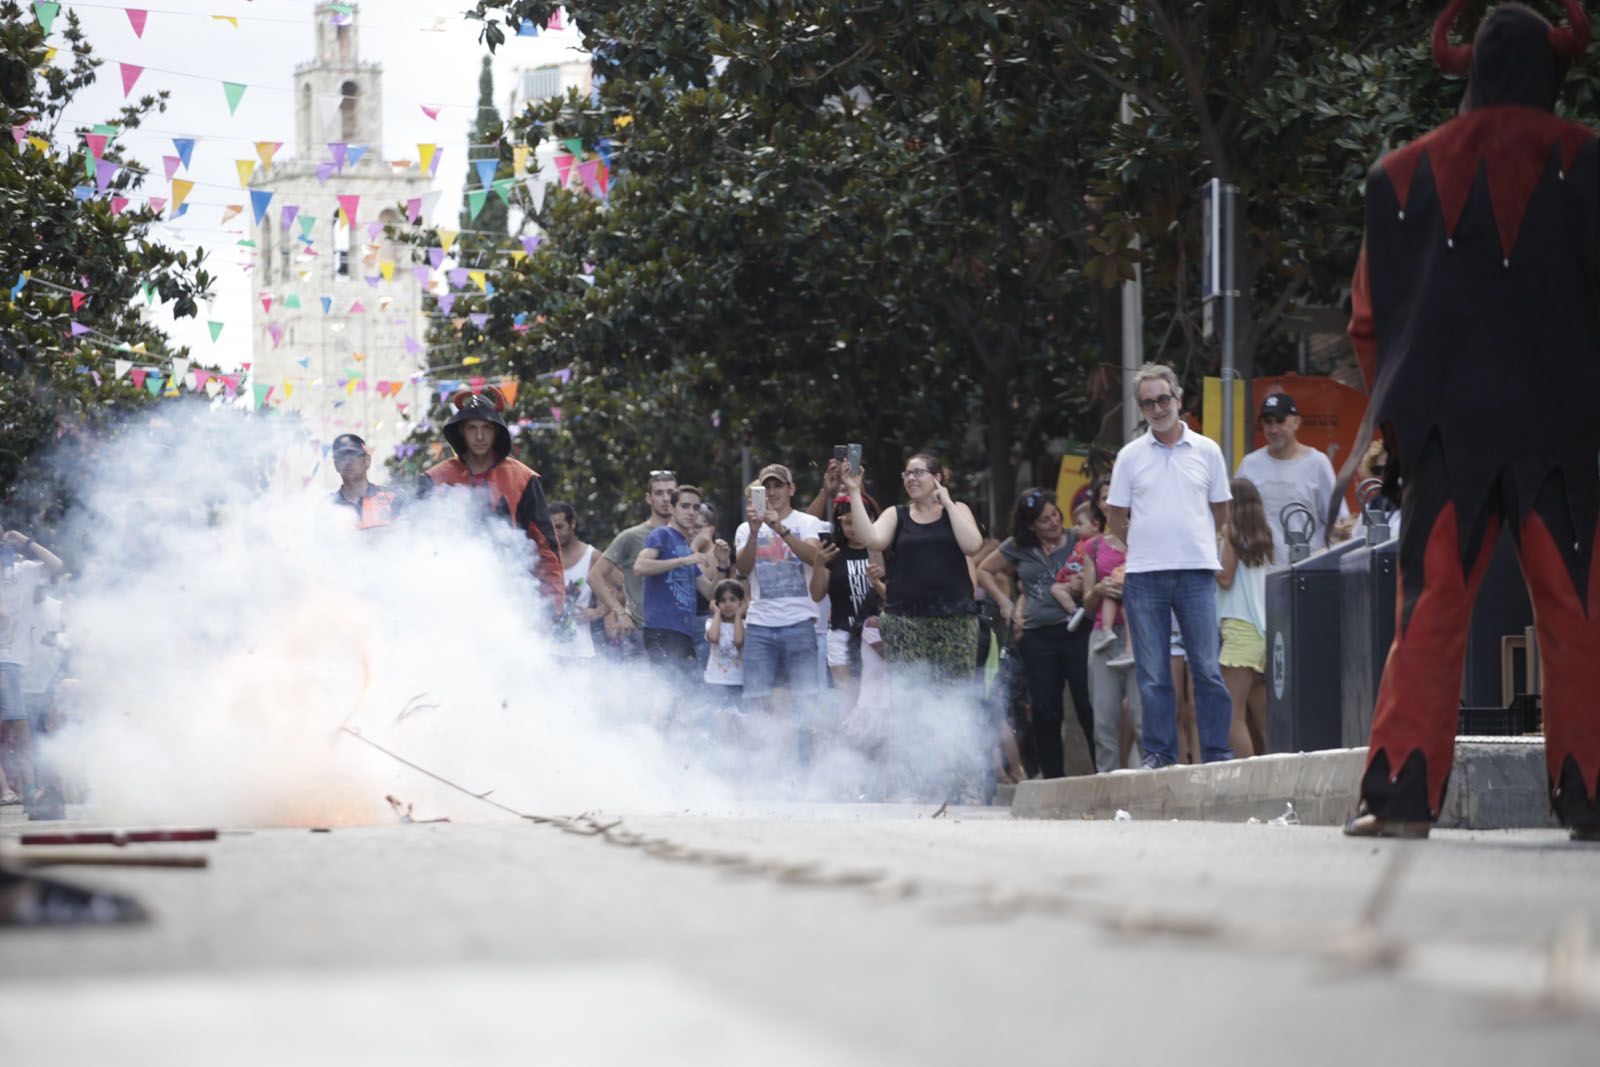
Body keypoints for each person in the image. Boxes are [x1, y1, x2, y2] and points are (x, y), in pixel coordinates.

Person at [1344, 0, 1600, 839]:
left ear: (1472, 70)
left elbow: (1368, 319)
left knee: (1431, 608)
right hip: (1568, 430)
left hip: (1447, 433)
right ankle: (1592, 795)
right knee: (1578, 613)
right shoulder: (1590, 162)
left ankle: (1401, 795)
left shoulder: (1399, 175)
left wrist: (1400, 426)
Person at [1104, 363, 1234, 768]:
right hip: (1144, 575)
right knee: (1154, 673)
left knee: (1208, 669)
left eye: (1163, 399)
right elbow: (1115, 515)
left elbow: (1222, 509)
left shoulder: (1208, 451)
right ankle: (1160, 754)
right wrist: (1143, 544)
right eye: (1148, 402)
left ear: (1178, 399)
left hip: (1195, 572)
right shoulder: (1129, 456)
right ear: (1141, 408)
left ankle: (1216, 753)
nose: (1158, 408)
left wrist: (1193, 542)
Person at [977, 489, 1091, 780]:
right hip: (1037, 636)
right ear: (1030, 525)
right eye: (1044, 519)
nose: (1053, 522)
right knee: (1044, 707)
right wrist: (1005, 602)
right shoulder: (1018, 546)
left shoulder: (1079, 539)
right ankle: (1053, 778)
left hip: (1077, 630)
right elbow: (984, 571)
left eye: (1055, 514)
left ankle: (1100, 772)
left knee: (1086, 701)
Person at [845, 453, 983, 681]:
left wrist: (947, 503)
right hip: (904, 622)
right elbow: (872, 539)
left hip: (955, 620)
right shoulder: (896, 514)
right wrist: (853, 491)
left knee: (955, 694)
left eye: (918, 472)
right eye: (907, 474)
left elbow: (973, 545)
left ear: (937, 477)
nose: (911, 478)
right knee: (909, 696)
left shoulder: (957, 509)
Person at [424, 389, 563, 611]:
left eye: (486, 428)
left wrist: (554, 601)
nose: (479, 436)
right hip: (452, 594)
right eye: (472, 428)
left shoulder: (523, 478)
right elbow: (419, 541)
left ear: (497, 432)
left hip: (513, 594)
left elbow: (544, 545)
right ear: (461, 431)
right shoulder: (434, 479)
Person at [733, 464, 829, 718]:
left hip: (799, 623)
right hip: (759, 625)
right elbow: (742, 568)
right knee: (758, 704)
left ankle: (807, 757)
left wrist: (780, 529)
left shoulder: (808, 522)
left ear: (791, 489)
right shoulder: (745, 528)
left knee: (806, 703)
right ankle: (767, 755)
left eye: (779, 485)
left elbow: (814, 557)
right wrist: (754, 533)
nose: (773, 492)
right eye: (767, 487)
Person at [1069, 503, 1144, 773]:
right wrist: (1100, 589)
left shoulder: (1148, 540)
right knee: (1103, 718)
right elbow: (1088, 604)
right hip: (1104, 635)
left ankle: (1151, 781)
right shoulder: (1094, 546)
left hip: (1141, 636)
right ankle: (1107, 781)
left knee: (1142, 716)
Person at [1235, 392, 1343, 565]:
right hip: (1261, 574)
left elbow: (1338, 523)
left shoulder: (1317, 463)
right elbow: (1234, 520)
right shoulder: (1249, 465)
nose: (1273, 429)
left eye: (1280, 421)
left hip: (1308, 571)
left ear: (1296, 422)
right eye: (1267, 422)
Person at [0, 528, 64, 815]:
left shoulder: (24, 570)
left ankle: (27, 792)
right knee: (19, 731)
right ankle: (25, 792)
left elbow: (57, 565)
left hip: (14, 662)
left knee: (18, 731)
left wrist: (25, 541)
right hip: (8, 661)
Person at [809, 494, 886, 714]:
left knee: (877, 700)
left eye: (859, 520)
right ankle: (849, 747)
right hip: (841, 634)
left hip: (878, 635)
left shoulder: (883, 550)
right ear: (839, 524)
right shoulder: (833, 554)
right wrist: (818, 563)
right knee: (848, 702)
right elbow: (816, 595)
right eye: (847, 522)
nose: (854, 528)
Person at [635, 484, 718, 687]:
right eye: (685, 506)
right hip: (661, 629)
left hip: (683, 631)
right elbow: (640, 566)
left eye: (696, 508)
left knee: (683, 694)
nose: (691, 512)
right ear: (672, 509)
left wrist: (722, 563)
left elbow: (709, 591)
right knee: (672, 692)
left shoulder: (685, 546)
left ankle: (661, 720)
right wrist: (681, 561)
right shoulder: (661, 534)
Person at [590, 471, 677, 657]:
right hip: (642, 633)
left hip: (680, 632)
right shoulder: (631, 537)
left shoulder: (686, 536)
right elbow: (594, 576)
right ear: (648, 498)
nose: (666, 498)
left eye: (671, 493)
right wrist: (619, 613)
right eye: (659, 493)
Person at [1216, 477, 1274, 758]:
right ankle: (1277, 775)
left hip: (1239, 630)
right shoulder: (1262, 535)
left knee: (1232, 716)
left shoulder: (1230, 531)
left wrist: (1202, 563)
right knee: (1263, 722)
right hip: (1261, 631)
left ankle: (1249, 779)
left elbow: (1225, 578)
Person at [549, 502, 602, 660]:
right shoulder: (545, 556)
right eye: (551, 528)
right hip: (547, 649)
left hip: (581, 651)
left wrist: (597, 611)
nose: (555, 533)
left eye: (559, 527)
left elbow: (621, 587)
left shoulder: (591, 556)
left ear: (572, 524)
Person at [328, 433, 399, 530]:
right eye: (342, 457)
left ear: (367, 460)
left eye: (353, 455)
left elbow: (410, 537)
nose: (348, 462)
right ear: (335, 464)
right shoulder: (329, 506)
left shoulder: (391, 497)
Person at [703, 579, 746, 711]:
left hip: (737, 682)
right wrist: (716, 613)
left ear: (741, 602)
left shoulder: (745, 625)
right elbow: (714, 637)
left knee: (737, 719)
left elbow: (739, 641)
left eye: (733, 599)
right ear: (716, 603)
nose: (727, 604)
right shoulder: (711, 622)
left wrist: (738, 615)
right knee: (718, 718)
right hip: (715, 681)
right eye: (722, 600)